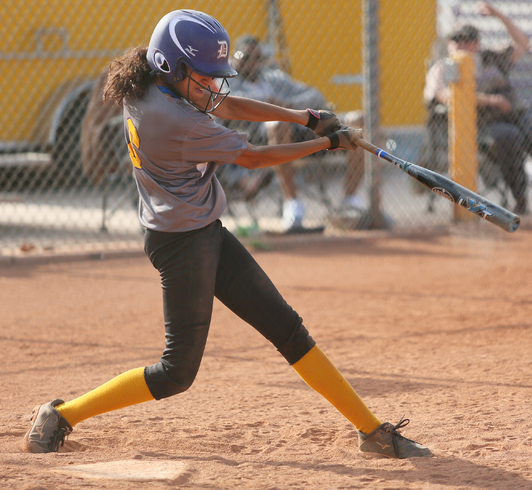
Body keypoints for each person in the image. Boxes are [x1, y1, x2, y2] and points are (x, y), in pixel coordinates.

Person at [23, 9, 432, 460]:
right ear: (173, 68)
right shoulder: (176, 121)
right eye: (203, 78)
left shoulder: (151, 81)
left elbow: (226, 104)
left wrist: (306, 116)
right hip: (180, 245)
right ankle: (61, 415)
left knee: (289, 330)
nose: (212, 86)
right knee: (176, 373)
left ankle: (372, 431)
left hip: (204, 232)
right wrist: (327, 144)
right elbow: (254, 158)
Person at [423, 1, 532, 216]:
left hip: (516, 113)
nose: (463, 44)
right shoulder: (443, 68)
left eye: (469, 39)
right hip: (484, 123)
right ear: (450, 43)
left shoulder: (490, 58)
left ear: (477, 43)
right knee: (507, 138)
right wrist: (490, 100)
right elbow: (443, 96)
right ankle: (520, 200)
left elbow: (523, 43)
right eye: (457, 39)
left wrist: (499, 15)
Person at [221, 35, 367, 233]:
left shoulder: (273, 77)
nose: (253, 62)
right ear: (234, 58)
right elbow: (233, 102)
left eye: (257, 57)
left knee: (357, 121)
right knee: (278, 125)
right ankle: (293, 206)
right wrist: (272, 105)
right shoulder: (228, 80)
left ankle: (349, 202)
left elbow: (314, 94)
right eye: (246, 57)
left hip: (300, 131)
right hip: (261, 138)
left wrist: (288, 106)